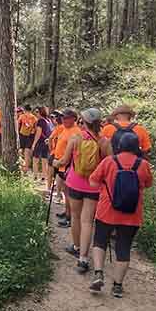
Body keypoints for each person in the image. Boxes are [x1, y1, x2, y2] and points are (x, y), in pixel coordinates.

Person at [87, 131, 154, 298]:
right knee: (123, 248)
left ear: (119, 146)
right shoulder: (143, 164)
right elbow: (147, 184)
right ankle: (117, 286)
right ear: (136, 148)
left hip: (106, 211)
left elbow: (93, 181)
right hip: (132, 214)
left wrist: (105, 187)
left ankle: (98, 274)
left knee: (100, 241)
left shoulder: (109, 161)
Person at [53, 108, 103, 271]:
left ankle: (76, 247)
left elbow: (64, 161)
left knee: (75, 217)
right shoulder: (104, 142)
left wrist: (55, 163)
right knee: (88, 221)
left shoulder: (76, 138)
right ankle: (83, 259)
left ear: (84, 122)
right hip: (94, 186)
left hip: (75, 183)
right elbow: (108, 164)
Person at [52, 108, 81, 227]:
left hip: (66, 165)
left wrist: (60, 162)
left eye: (66, 118)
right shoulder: (65, 129)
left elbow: (72, 152)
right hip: (60, 163)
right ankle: (67, 212)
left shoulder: (75, 131)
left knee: (69, 192)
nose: (63, 119)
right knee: (65, 190)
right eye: (62, 117)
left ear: (74, 118)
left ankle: (70, 217)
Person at [30, 106, 53, 181]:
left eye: (37, 112)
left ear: (40, 112)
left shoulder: (40, 121)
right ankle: (44, 176)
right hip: (46, 142)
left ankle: (35, 176)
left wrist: (34, 143)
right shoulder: (48, 120)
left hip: (40, 142)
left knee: (35, 159)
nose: (36, 113)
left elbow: (38, 133)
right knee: (44, 160)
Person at [17, 106, 38, 172]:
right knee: (27, 152)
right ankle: (26, 168)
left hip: (22, 135)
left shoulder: (22, 116)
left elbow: (17, 125)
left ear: (25, 110)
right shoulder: (34, 118)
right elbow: (36, 128)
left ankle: (21, 165)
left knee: (20, 151)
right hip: (30, 136)